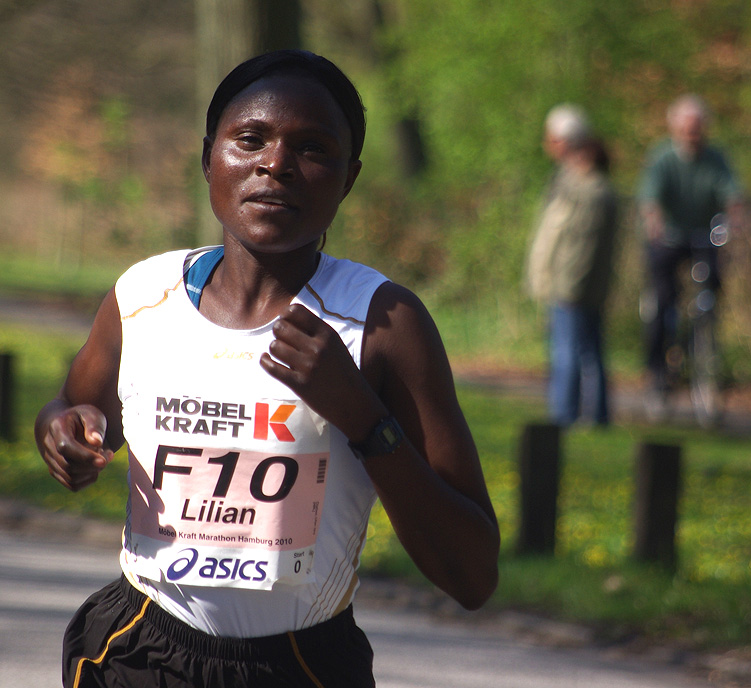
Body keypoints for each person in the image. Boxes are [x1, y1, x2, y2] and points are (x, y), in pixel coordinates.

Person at [34, 50, 500, 688]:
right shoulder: (143, 295)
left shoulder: (384, 323)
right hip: (139, 647)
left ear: (349, 176)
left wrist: (363, 417)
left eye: (312, 149)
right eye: (249, 139)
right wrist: (65, 431)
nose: (275, 165)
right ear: (208, 158)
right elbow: (71, 412)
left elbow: (471, 574)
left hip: (300, 664)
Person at [636, 94, 741, 396]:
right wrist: (654, 219)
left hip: (702, 237)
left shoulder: (716, 158)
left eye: (697, 129)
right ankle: (657, 369)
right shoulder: (663, 157)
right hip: (668, 238)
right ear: (674, 129)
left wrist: (735, 215)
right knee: (663, 300)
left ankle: (703, 353)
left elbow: (731, 191)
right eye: (686, 129)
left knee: (711, 287)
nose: (691, 135)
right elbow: (650, 197)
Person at [525, 104, 618, 428]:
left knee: (570, 354)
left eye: (552, 139)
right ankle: (593, 416)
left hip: (572, 288)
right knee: (587, 352)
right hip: (572, 286)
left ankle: (565, 417)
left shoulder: (590, 190)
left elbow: (580, 249)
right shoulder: (570, 183)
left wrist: (565, 288)